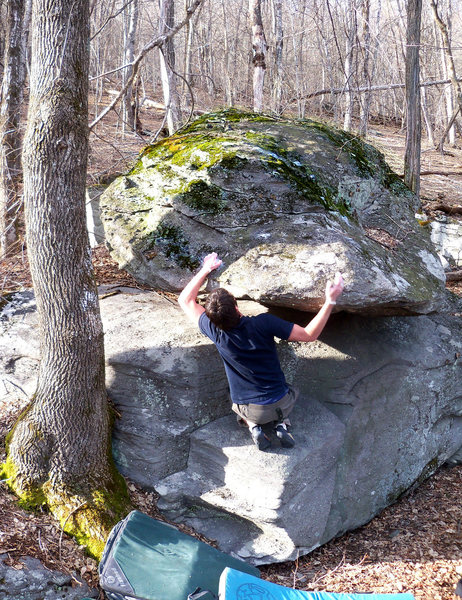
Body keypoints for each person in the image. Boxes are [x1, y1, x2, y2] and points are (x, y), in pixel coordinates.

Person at [178, 252, 344, 450]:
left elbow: (185, 300)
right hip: (282, 402)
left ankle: (254, 427)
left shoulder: (215, 331)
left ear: (212, 319)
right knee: (288, 391)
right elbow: (309, 334)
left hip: (250, 410)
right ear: (237, 308)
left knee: (237, 400)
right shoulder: (263, 323)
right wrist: (330, 300)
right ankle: (281, 424)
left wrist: (205, 270)